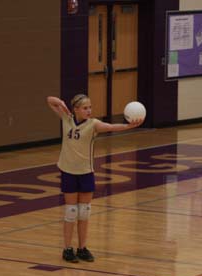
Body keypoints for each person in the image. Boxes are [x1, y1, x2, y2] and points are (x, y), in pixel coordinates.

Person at [46, 94, 143, 263]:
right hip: (68, 172)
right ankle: (67, 249)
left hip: (85, 172)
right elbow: (49, 100)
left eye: (90, 107)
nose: (89, 110)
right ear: (76, 109)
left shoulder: (93, 124)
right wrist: (61, 103)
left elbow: (112, 127)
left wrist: (128, 126)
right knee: (71, 212)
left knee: (84, 212)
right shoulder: (66, 118)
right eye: (85, 108)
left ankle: (82, 248)